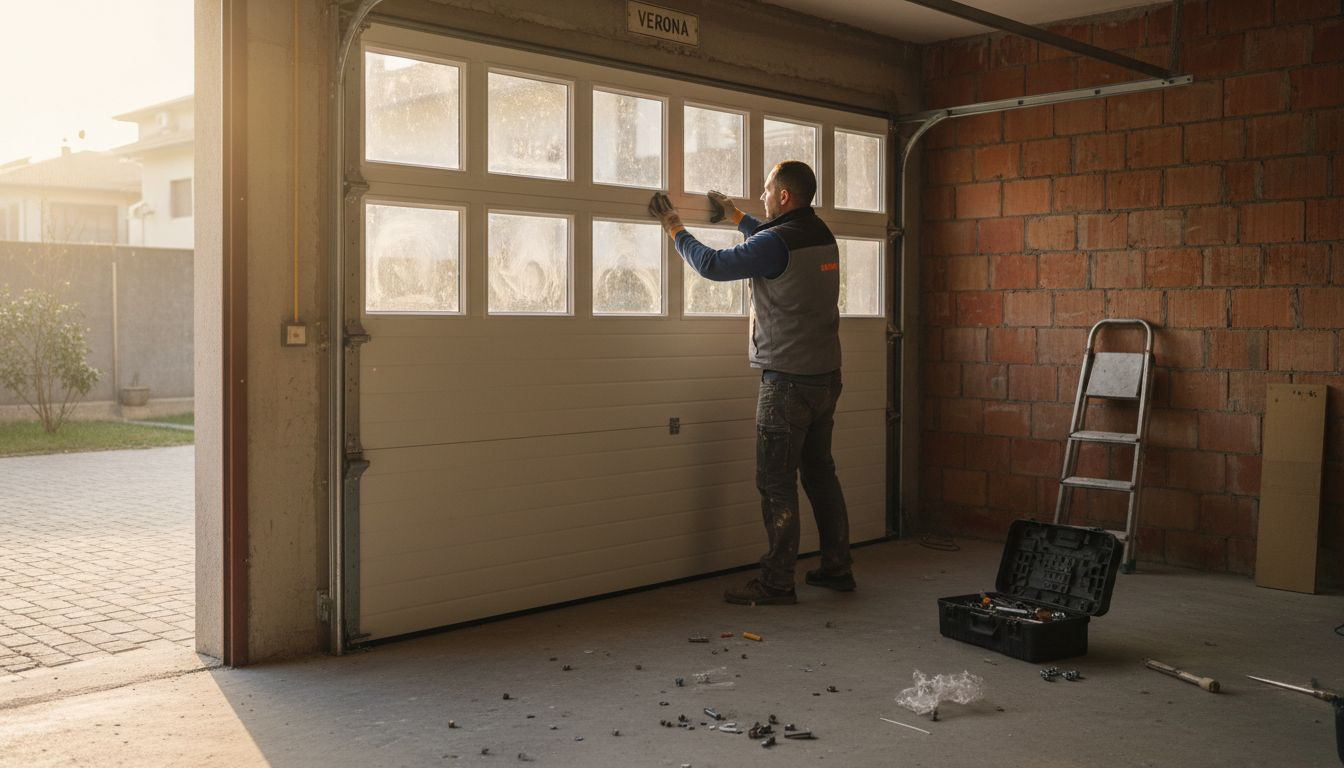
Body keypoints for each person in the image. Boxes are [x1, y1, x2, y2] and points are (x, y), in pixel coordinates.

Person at [648, 161, 854, 606]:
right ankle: (838, 567)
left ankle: (778, 582)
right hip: (825, 378)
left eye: (766, 190)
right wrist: (739, 219)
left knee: (775, 482)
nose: (760, 195)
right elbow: (771, 242)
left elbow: (712, 265)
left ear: (784, 196)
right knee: (820, 474)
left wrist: (673, 227)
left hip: (787, 384)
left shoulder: (777, 241)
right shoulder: (820, 234)